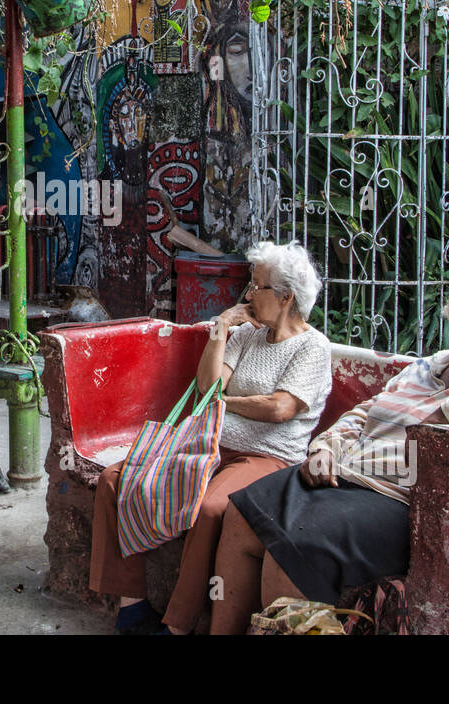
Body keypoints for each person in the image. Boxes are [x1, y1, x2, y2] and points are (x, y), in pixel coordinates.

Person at [209, 269, 449, 634]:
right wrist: (324, 447)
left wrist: (446, 409)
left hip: (396, 497)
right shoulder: (430, 367)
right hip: (344, 471)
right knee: (241, 514)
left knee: (291, 549)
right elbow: (365, 413)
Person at [90, 241, 332, 634]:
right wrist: (220, 328)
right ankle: (132, 608)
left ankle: (178, 626)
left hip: (266, 456)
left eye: (257, 287)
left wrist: (227, 404)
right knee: (115, 479)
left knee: (211, 509)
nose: (249, 295)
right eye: (249, 286)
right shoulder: (248, 335)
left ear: (286, 297)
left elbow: (280, 408)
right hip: (210, 442)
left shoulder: (312, 346)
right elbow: (208, 386)